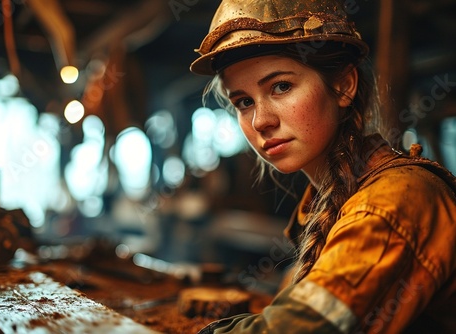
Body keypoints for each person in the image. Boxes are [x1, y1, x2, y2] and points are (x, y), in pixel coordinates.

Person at [189, 0, 456, 333]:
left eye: (281, 86)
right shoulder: (326, 199)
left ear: (344, 86)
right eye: (244, 102)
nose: (261, 121)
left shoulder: (391, 201)